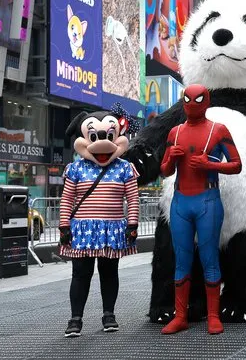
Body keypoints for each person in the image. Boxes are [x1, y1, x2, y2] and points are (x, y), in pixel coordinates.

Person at [160, 84, 242, 336]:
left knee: (209, 257)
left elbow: (237, 164)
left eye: (197, 99)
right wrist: (171, 158)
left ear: (206, 101)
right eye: (188, 99)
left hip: (207, 200)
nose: (192, 103)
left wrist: (210, 163)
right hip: (182, 201)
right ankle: (181, 315)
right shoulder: (174, 132)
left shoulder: (218, 130)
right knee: (182, 260)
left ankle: (213, 316)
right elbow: (164, 171)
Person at [59, 105, 140, 337]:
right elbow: (67, 199)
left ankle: (109, 315)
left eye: (109, 136)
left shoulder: (125, 168)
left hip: (112, 229)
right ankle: (75, 319)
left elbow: (133, 199)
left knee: (109, 272)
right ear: (85, 137)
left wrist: (132, 224)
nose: (102, 143)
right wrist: (64, 225)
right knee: (80, 274)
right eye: (94, 136)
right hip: (82, 230)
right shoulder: (75, 168)